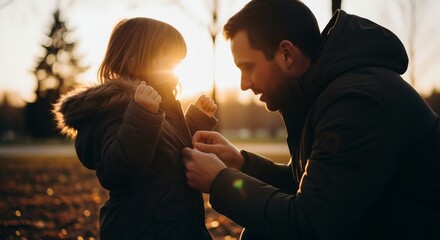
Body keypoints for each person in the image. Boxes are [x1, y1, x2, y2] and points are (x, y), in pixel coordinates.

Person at [181, 0, 440, 239]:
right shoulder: (324, 93)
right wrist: (240, 162)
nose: (244, 84)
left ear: (286, 55)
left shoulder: (357, 102)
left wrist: (219, 181)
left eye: (248, 67)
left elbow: (310, 224)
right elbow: (305, 184)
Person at [53, 17, 217, 240]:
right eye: (166, 62)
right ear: (133, 63)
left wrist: (197, 120)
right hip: (143, 229)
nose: (173, 70)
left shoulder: (161, 103)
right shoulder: (119, 108)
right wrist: (141, 114)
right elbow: (118, 169)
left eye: (176, 63)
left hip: (180, 225)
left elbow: (170, 149)